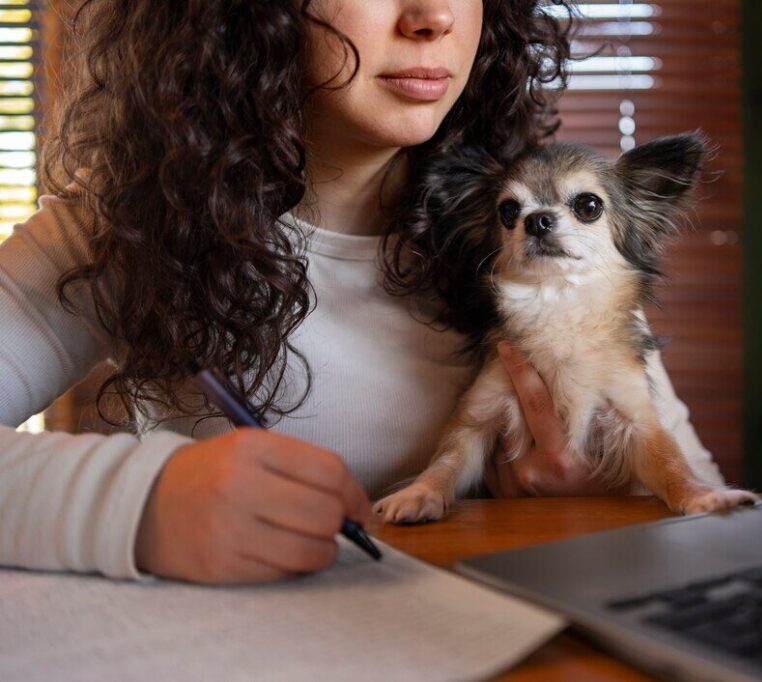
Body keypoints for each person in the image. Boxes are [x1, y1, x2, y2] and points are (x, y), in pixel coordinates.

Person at [0, 0, 725, 585]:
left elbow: (711, 517)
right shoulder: (119, 231)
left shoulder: (560, 254)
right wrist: (139, 505)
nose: (433, 16)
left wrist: (596, 506)